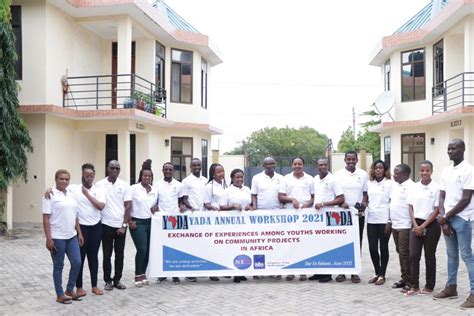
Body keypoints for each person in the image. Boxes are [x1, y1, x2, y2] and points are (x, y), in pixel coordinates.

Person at [434, 139, 474, 308]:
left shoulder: (469, 170)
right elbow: (442, 196)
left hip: (463, 218)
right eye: (448, 148)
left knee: (466, 255)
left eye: (454, 148)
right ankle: (451, 287)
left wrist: (447, 216)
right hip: (447, 219)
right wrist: (443, 218)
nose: (450, 151)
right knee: (451, 255)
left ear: (463, 149)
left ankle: (473, 294)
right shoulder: (446, 171)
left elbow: (466, 199)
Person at [42, 169, 83, 304]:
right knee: (58, 266)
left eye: (66, 179)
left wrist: (79, 233)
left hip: (71, 236)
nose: (64, 181)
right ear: (56, 179)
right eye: (61, 179)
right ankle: (60, 294)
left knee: (77, 262)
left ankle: (69, 290)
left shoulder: (71, 194)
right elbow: (46, 218)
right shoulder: (50, 195)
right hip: (57, 237)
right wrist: (49, 239)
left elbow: (75, 215)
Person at [405, 160, 440, 296]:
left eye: (427, 170)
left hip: (431, 225)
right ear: (419, 171)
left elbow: (437, 210)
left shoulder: (437, 188)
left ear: (432, 171)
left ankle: (429, 286)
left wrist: (423, 226)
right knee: (414, 255)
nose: (424, 173)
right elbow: (410, 206)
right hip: (415, 224)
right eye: (422, 170)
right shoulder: (414, 187)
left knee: (429, 256)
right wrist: (415, 225)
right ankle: (414, 286)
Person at [70, 163, 105, 297]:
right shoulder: (74, 189)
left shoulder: (99, 190)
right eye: (86, 176)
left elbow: (100, 206)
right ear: (82, 176)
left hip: (96, 226)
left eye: (91, 176)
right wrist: (49, 190)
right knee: (80, 258)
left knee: (93, 257)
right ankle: (79, 287)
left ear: (94, 176)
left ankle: (94, 286)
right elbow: (60, 188)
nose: (88, 178)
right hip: (81, 228)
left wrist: (87, 194)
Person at [96, 160, 131, 291]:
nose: (115, 170)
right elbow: (85, 190)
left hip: (120, 225)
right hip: (105, 224)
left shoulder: (124, 185)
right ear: (107, 169)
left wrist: (124, 225)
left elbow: (128, 206)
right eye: (112, 168)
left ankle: (117, 280)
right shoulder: (99, 184)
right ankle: (107, 281)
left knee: (120, 254)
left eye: (117, 168)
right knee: (107, 254)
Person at [334, 151, 368, 283]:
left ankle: (355, 272)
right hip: (342, 214)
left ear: (357, 160)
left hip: (357, 214)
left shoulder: (363, 174)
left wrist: (364, 204)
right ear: (344, 160)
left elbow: (365, 193)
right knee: (341, 243)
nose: (351, 161)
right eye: (349, 159)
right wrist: (341, 202)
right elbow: (336, 194)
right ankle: (341, 271)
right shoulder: (338, 175)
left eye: (353, 159)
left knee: (356, 243)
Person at [279, 157, 314, 281]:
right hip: (290, 214)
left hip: (306, 214)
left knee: (304, 242)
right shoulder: (286, 179)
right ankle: (290, 271)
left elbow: (314, 197)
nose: (297, 166)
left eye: (300, 164)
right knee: (290, 242)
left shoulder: (310, 179)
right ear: (292, 165)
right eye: (295, 164)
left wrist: (308, 204)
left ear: (303, 165)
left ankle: (303, 271)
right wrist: (292, 199)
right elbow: (281, 197)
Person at [309, 157, 344, 283]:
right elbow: (313, 197)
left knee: (327, 245)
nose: (323, 167)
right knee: (317, 245)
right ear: (317, 166)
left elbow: (341, 199)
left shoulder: (333, 179)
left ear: (327, 165)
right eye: (320, 165)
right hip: (316, 218)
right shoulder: (315, 179)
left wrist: (324, 204)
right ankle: (318, 272)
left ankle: (327, 274)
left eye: (325, 165)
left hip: (329, 217)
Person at [250, 156, 284, 280]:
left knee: (276, 244)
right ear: (263, 165)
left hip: (277, 216)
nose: (270, 166)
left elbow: (283, 195)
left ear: (275, 164)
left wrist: (282, 205)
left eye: (272, 164)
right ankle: (258, 270)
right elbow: (253, 194)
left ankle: (276, 270)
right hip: (260, 216)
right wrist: (254, 206)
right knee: (260, 244)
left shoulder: (281, 178)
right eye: (267, 164)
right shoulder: (256, 178)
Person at [154, 162, 185, 284]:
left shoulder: (179, 185)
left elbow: (182, 201)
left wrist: (182, 206)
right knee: (162, 247)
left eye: (170, 170)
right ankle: (162, 274)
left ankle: (175, 274)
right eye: (165, 169)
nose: (168, 171)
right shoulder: (156, 185)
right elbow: (155, 201)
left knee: (174, 247)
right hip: (161, 220)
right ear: (162, 170)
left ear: (173, 171)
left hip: (174, 220)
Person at [219, 168, 252, 283]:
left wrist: (250, 207)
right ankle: (235, 273)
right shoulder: (227, 191)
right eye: (237, 177)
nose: (239, 179)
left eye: (241, 177)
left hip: (247, 225)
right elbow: (221, 207)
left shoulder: (247, 189)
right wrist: (233, 207)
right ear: (232, 179)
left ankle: (242, 273)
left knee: (245, 248)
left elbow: (251, 204)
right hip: (233, 226)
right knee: (234, 249)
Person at [129, 160, 158, 287]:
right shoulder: (133, 189)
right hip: (137, 223)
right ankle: (137, 274)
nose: (147, 177)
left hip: (150, 222)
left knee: (148, 250)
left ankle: (143, 273)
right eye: (145, 175)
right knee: (142, 249)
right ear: (141, 176)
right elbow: (127, 206)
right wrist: (129, 221)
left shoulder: (154, 190)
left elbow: (154, 205)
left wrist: (155, 207)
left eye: (149, 176)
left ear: (152, 178)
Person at [387, 163, 414, 293]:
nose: (394, 175)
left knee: (405, 253)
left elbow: (413, 207)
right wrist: (389, 221)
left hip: (405, 225)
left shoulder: (411, 187)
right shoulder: (395, 186)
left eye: (396, 173)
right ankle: (404, 278)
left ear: (405, 174)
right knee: (400, 252)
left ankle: (410, 281)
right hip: (395, 224)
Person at [365, 160, 392, 286]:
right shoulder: (369, 183)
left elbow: (392, 203)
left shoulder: (390, 184)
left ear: (385, 170)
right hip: (371, 220)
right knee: (372, 248)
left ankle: (382, 274)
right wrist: (361, 206)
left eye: (381, 168)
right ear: (373, 170)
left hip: (384, 220)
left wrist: (389, 221)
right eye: (376, 168)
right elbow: (366, 200)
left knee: (383, 247)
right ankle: (376, 272)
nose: (378, 170)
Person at [181, 158, 208, 282]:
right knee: (191, 244)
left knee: (202, 244)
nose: (196, 167)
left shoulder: (206, 180)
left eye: (198, 165)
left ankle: (201, 269)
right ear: (190, 167)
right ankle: (190, 273)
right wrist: (191, 208)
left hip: (204, 217)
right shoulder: (186, 181)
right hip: (191, 216)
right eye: (194, 165)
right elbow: (184, 199)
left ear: (201, 166)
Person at [204, 163, 227, 281]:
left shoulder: (226, 185)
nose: (221, 174)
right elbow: (206, 203)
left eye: (222, 171)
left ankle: (224, 268)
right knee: (214, 246)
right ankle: (213, 272)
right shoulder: (209, 186)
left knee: (224, 245)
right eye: (218, 172)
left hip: (225, 220)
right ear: (213, 174)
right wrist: (214, 208)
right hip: (213, 220)